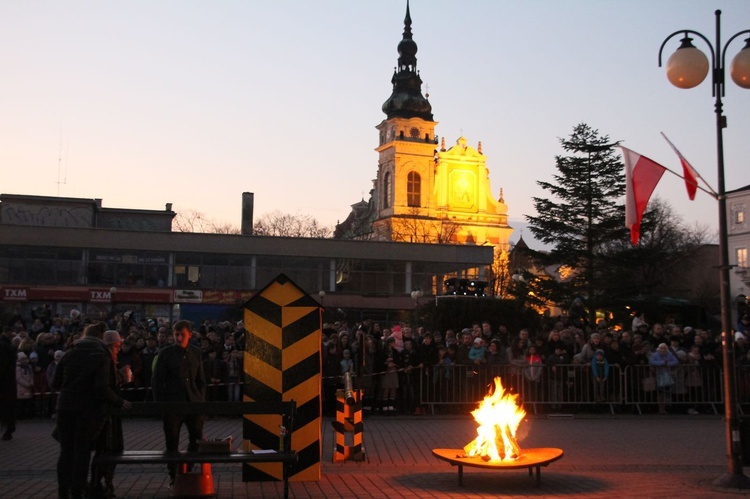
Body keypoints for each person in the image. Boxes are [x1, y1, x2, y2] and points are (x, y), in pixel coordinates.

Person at [52, 322, 131, 499]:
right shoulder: (101, 356)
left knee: (66, 452)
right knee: (82, 452)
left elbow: (55, 383)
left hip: (65, 406)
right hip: (87, 409)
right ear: (100, 338)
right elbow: (101, 387)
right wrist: (119, 401)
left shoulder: (69, 353)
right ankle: (78, 491)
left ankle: (63, 491)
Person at [151, 320, 206, 487]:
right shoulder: (166, 354)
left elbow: (200, 379)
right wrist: (162, 404)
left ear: (189, 334)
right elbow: (157, 381)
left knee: (196, 440)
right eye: (176, 334)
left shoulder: (196, 352)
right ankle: (174, 475)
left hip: (193, 403)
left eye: (182, 334)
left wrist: (200, 399)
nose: (179, 337)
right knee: (172, 442)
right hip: (173, 404)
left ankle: (187, 471)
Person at [90, 330, 129, 499]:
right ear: (109, 345)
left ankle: (102, 483)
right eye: (117, 346)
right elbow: (103, 387)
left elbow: (108, 384)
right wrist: (120, 402)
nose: (118, 349)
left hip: (110, 414)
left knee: (109, 449)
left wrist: (120, 377)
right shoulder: (104, 359)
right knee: (106, 449)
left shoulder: (107, 360)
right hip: (106, 415)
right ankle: (100, 484)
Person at [1, 327, 18, 440]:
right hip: (9, 381)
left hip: (4, 382)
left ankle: (8, 429)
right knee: (8, 406)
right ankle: (9, 429)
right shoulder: (8, 346)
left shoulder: (3, 346)